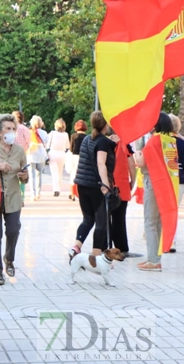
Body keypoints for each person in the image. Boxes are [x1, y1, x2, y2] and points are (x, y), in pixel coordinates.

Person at [0, 114, 29, 286]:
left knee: (13, 229)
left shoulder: (19, 150)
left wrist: (24, 176)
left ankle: (9, 259)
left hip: (14, 196)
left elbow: (25, 176)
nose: (12, 132)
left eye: (13, 129)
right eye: (8, 129)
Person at [133, 113, 178, 271]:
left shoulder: (154, 140)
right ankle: (155, 258)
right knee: (158, 222)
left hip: (153, 182)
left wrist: (137, 153)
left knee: (150, 222)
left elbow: (141, 162)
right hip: (166, 184)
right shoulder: (170, 140)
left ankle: (153, 260)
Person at [69, 111, 116, 259]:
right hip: (96, 186)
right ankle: (95, 256)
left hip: (82, 184)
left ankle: (76, 247)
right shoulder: (102, 142)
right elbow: (101, 163)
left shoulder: (87, 139)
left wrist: (111, 143)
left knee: (88, 219)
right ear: (105, 124)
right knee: (101, 222)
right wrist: (105, 185)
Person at [108, 128, 136, 255]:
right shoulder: (126, 145)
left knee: (105, 217)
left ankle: (105, 245)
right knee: (119, 218)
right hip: (121, 186)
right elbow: (131, 165)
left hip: (106, 184)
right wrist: (133, 181)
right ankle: (121, 247)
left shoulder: (104, 142)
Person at [167, 114, 184, 253]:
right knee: (173, 210)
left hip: (164, 179)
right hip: (179, 179)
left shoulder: (160, 140)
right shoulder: (181, 142)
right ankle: (172, 241)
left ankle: (161, 240)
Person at [27, 115, 49, 201]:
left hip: (31, 153)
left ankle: (33, 194)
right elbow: (46, 142)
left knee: (31, 175)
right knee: (39, 174)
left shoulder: (29, 132)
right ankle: (39, 193)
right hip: (41, 153)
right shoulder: (44, 132)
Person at [47, 118, 70, 197]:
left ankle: (56, 189)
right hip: (62, 154)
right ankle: (59, 188)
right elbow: (68, 146)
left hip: (53, 153)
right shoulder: (66, 134)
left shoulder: (52, 133)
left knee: (54, 173)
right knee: (60, 173)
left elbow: (47, 144)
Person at [12, 111, 31, 202]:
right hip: (23, 153)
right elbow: (28, 141)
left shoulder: (12, 128)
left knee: (13, 174)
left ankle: (15, 196)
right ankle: (22, 197)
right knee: (23, 174)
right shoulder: (25, 128)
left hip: (12, 153)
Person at [67, 120, 88, 201]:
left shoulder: (73, 136)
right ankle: (81, 193)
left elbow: (71, 148)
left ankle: (72, 194)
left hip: (74, 156)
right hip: (84, 157)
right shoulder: (87, 137)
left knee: (73, 175)